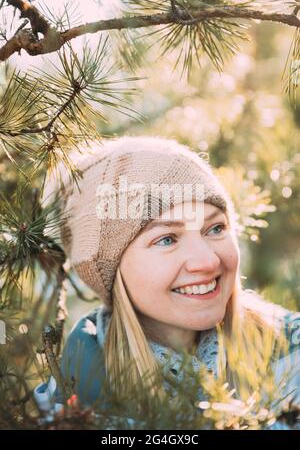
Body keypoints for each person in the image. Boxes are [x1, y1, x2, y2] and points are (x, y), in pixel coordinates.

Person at [34, 136, 300, 429]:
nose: (208, 261)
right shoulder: (77, 399)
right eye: (167, 239)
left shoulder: (291, 352)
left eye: (215, 228)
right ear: (111, 270)